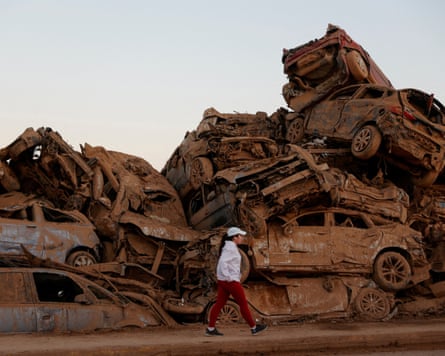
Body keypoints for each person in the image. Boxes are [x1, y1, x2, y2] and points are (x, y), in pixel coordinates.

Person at [205, 226, 268, 336]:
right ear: (234, 237)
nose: (242, 238)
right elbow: (222, 263)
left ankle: (210, 329)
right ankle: (254, 328)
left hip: (224, 281)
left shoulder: (229, 247)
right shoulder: (230, 248)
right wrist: (229, 277)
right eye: (240, 236)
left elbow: (224, 263)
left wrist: (226, 277)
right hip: (230, 282)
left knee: (219, 304)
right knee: (243, 304)